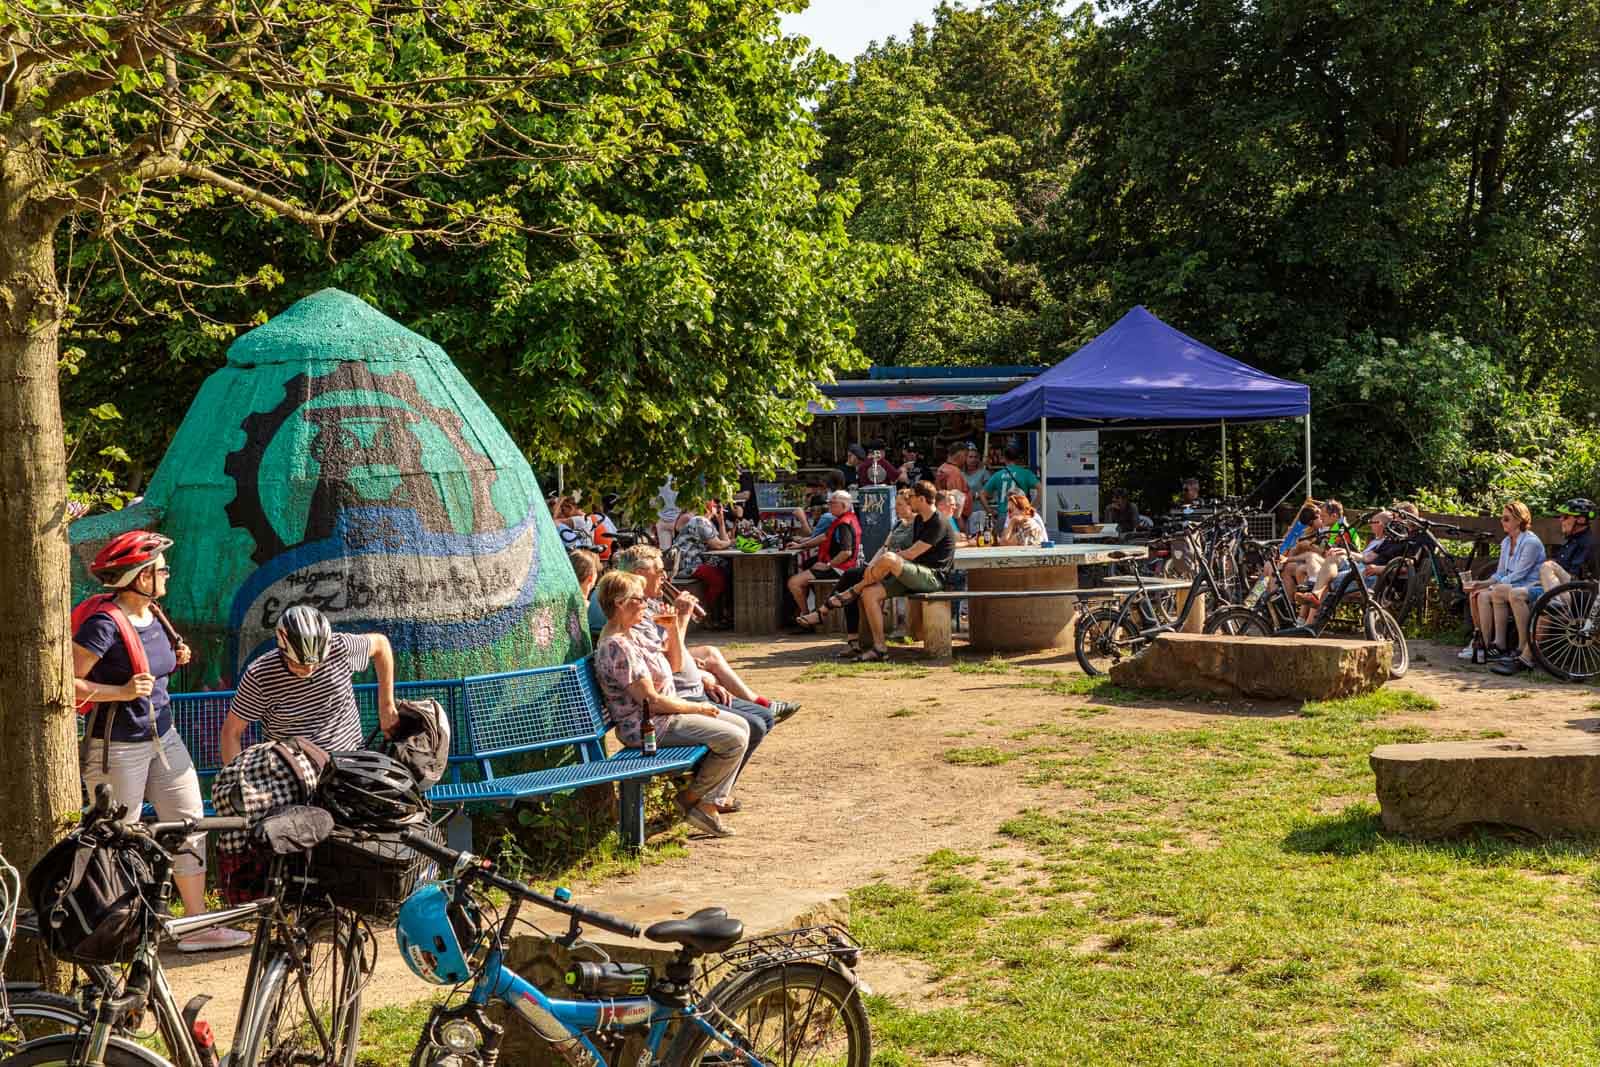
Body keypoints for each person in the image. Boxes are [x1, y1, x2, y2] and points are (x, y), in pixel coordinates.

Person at [73, 531, 250, 952]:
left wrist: (176, 656)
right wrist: (120, 692)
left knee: (190, 821)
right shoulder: (104, 624)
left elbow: (153, 664)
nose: (167, 574)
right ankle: (117, 932)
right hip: (117, 746)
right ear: (141, 577)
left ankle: (195, 925)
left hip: (164, 738)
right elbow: (67, 681)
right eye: (161, 569)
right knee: (119, 836)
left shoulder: (154, 613)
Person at [593, 570, 748, 837]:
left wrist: (673, 628)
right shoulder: (617, 647)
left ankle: (702, 802)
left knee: (743, 725)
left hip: (666, 715)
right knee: (734, 739)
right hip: (648, 727)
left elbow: (674, 665)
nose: (646, 604)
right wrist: (698, 707)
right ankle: (693, 802)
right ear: (620, 603)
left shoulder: (632, 634)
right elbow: (651, 702)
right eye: (640, 599)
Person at [613, 545, 799, 718]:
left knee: (709, 653)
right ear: (640, 574)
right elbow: (668, 659)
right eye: (660, 571)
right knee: (710, 676)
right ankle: (756, 707)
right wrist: (682, 617)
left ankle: (757, 704)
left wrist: (687, 656)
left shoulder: (649, 602)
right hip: (662, 683)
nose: (665, 576)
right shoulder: (634, 611)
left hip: (663, 667)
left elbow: (663, 645)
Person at [221, 605, 398, 763]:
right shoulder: (259, 676)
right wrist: (235, 778)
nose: (309, 669)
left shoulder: (340, 648)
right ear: (282, 651)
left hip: (348, 760)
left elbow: (381, 645)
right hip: (293, 771)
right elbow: (231, 733)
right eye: (299, 664)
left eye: (317, 663)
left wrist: (386, 705)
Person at [827, 481, 954, 662]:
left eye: (911, 497)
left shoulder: (938, 521)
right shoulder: (919, 520)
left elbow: (912, 553)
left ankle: (853, 590)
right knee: (869, 593)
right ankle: (880, 648)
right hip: (914, 574)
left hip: (933, 577)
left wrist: (886, 561)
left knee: (888, 559)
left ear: (921, 499)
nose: (909, 501)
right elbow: (908, 554)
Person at [1493, 498, 1592, 675]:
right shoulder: (1571, 540)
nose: (1561, 520)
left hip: (1577, 595)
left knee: (1547, 568)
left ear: (1581, 520)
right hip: (1559, 590)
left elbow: (1581, 579)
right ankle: (1521, 652)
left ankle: (1525, 657)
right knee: (1515, 593)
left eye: (1566, 517)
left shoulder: (1588, 543)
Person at [1460, 500, 1544, 660]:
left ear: (1519, 520)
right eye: (1501, 518)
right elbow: (1500, 573)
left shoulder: (1531, 542)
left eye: (1506, 518)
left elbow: (1519, 574)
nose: (1502, 521)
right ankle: (1486, 645)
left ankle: (1507, 646)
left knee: (1494, 591)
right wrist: (1481, 584)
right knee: (1480, 594)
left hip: (1529, 585)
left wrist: (1491, 587)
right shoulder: (1506, 542)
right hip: (1509, 585)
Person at [790, 491, 862, 625]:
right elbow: (823, 537)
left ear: (843, 505)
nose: (829, 506)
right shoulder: (843, 518)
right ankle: (808, 614)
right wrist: (801, 545)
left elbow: (846, 552)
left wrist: (828, 565)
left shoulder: (844, 523)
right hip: (841, 565)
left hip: (841, 568)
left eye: (832, 504)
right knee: (808, 566)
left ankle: (807, 617)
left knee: (794, 582)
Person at [671, 499, 733, 624]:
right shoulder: (699, 520)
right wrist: (732, 542)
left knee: (726, 570)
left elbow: (723, 542)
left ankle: (721, 614)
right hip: (686, 564)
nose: (718, 507)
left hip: (695, 562)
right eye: (715, 504)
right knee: (717, 577)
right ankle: (707, 616)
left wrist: (721, 523)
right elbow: (719, 545)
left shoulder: (706, 522)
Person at [981, 442, 1039, 531]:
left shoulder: (998, 475)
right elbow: (1041, 489)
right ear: (1018, 458)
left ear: (1004, 458)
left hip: (1003, 516)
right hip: (1021, 515)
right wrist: (1031, 507)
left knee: (1002, 539)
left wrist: (990, 511)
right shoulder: (1026, 473)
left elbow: (982, 495)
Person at [934, 442, 972, 528]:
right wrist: (959, 522)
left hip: (945, 514)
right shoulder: (954, 472)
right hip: (955, 518)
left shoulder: (942, 468)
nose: (966, 459)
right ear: (961, 455)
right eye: (966, 456)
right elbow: (955, 498)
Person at [963, 445, 990, 537]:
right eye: (970, 457)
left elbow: (990, 493)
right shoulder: (960, 474)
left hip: (979, 511)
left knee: (979, 537)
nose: (973, 459)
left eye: (975, 457)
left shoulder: (984, 473)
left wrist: (977, 495)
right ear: (965, 458)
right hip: (964, 512)